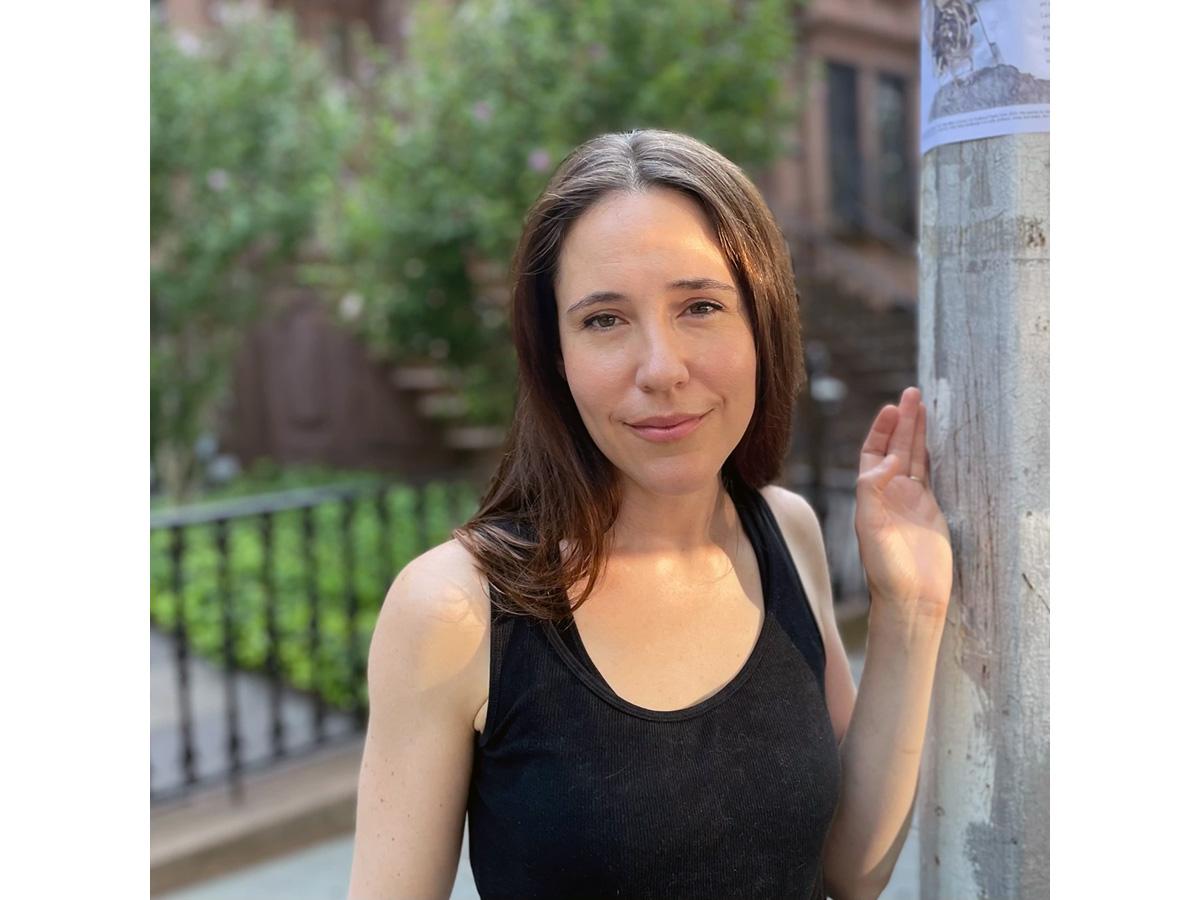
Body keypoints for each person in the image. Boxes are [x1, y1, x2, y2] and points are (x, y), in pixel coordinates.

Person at [347, 130, 952, 899]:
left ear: (762, 327)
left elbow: (849, 870)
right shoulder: (456, 609)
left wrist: (911, 609)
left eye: (700, 306)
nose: (662, 369)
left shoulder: (786, 533)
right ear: (554, 355)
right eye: (604, 320)